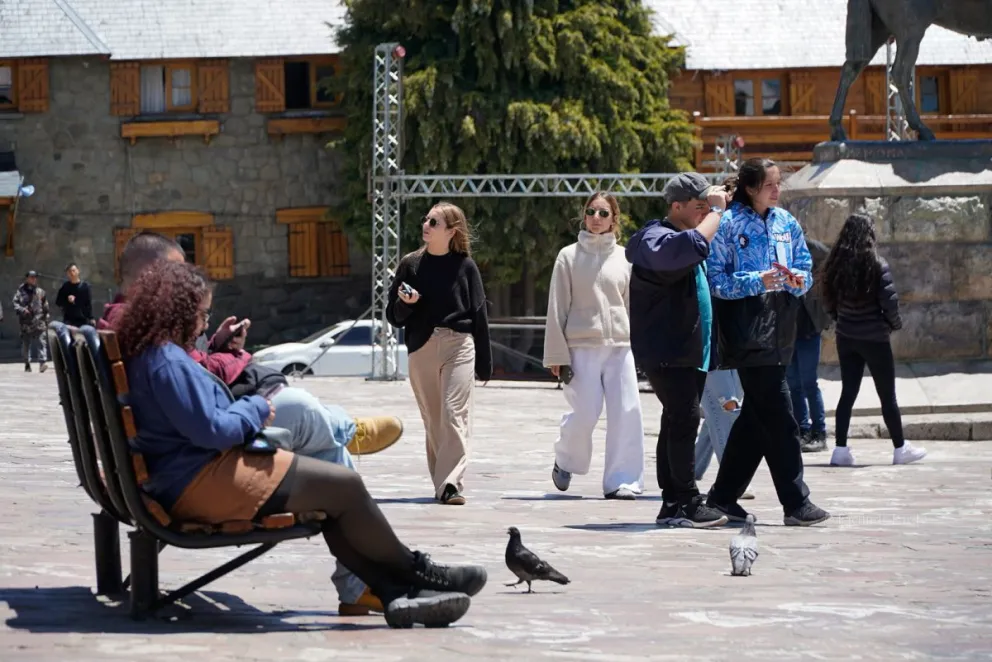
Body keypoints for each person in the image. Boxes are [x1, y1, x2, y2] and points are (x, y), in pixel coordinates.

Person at [117, 260, 487, 628]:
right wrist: (256, 406)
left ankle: (391, 591)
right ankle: (419, 574)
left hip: (189, 474)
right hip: (201, 482)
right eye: (201, 313)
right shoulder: (166, 361)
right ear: (179, 312)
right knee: (343, 488)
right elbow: (214, 430)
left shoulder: (156, 354)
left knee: (334, 482)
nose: (204, 322)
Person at [101, 231, 402, 616]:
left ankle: (371, 582)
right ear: (155, 280)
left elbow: (189, 384)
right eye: (180, 276)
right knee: (310, 422)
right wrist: (254, 407)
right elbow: (201, 413)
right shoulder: (151, 343)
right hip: (197, 466)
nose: (186, 285)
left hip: (172, 458)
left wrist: (217, 348)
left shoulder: (138, 328)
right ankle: (346, 433)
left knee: (331, 457)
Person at [705, 157, 830, 527]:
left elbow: (806, 268)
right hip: (746, 330)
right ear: (750, 187)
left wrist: (797, 280)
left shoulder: (786, 222)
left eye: (779, 183)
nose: (778, 190)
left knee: (755, 419)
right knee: (780, 416)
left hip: (782, 327)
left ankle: (723, 497)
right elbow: (716, 280)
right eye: (770, 184)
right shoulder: (727, 224)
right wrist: (756, 281)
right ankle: (796, 502)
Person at [626, 172, 730, 528]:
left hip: (690, 351)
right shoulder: (656, 239)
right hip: (669, 349)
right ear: (676, 206)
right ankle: (687, 501)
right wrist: (717, 212)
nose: (707, 211)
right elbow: (688, 248)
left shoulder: (682, 235)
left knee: (676, 420)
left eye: (708, 206)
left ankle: (671, 502)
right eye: (700, 206)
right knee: (684, 419)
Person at [386, 202, 493, 506]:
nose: (426, 225)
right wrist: (407, 303)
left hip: (459, 344)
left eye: (434, 222)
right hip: (422, 346)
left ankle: (451, 483)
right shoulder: (411, 264)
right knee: (434, 420)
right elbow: (393, 316)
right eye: (426, 220)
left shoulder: (466, 267)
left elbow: (479, 314)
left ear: (451, 231)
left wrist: (485, 364)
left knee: (453, 413)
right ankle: (442, 484)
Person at [542, 192, 645, 500]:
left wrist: (641, 346)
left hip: (619, 346)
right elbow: (557, 306)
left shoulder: (626, 258)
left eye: (603, 213)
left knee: (628, 411)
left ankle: (622, 481)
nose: (596, 218)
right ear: (583, 216)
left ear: (614, 218)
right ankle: (565, 459)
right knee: (585, 413)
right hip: (580, 347)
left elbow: (631, 305)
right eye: (591, 212)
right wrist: (555, 355)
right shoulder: (568, 256)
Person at [821, 213, 927, 466]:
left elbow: (827, 301)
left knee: (848, 393)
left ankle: (840, 450)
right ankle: (900, 448)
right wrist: (893, 325)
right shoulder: (878, 265)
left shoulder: (835, 265)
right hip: (875, 339)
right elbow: (889, 304)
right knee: (887, 396)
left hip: (846, 337)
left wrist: (840, 318)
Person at [788, 238, 832, 453]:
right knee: (793, 384)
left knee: (809, 383)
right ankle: (802, 429)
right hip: (787, 335)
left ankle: (819, 432)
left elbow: (827, 255)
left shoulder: (810, 255)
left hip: (808, 333)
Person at [693, 368, 754, 497]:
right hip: (714, 359)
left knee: (716, 417)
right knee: (725, 410)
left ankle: (687, 471)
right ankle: (734, 479)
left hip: (735, 357)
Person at [13, 270, 50, 373]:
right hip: (26, 322)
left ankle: (42, 363)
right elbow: (15, 304)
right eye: (31, 277)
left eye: (35, 277)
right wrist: (22, 310)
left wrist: (46, 318)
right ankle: (27, 363)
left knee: (42, 342)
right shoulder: (20, 292)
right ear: (27, 278)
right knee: (26, 343)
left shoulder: (40, 292)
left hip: (39, 321)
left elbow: (45, 306)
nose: (34, 279)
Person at [55, 263, 94, 327]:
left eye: (73, 270)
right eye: (69, 272)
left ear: (78, 271)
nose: (72, 273)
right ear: (67, 274)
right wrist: (67, 300)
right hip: (69, 320)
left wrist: (91, 318)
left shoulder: (85, 286)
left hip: (83, 320)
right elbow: (58, 302)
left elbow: (88, 303)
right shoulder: (65, 287)